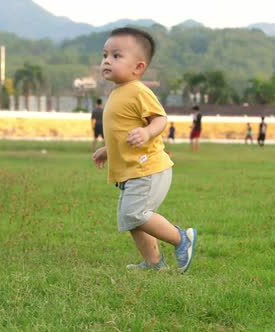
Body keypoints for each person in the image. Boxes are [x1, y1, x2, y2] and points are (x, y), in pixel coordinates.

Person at [91, 27, 197, 273]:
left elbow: (160, 119)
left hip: (147, 168)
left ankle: (182, 239)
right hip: (132, 171)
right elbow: (123, 130)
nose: (107, 61)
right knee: (131, 219)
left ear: (138, 67)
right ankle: (154, 264)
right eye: (105, 55)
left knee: (135, 214)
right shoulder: (117, 92)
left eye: (116, 56)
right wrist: (107, 149)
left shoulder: (138, 91)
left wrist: (148, 132)